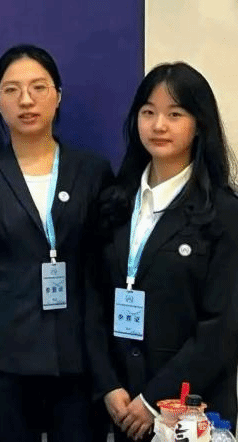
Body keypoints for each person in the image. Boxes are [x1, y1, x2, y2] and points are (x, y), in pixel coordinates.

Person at [0, 45, 113, 442]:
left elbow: (103, 272)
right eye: (12, 90)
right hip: (7, 362)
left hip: (79, 358)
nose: (26, 100)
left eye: (38, 87)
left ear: (58, 96)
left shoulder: (92, 172)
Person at [86, 62, 238, 441]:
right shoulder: (116, 202)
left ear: (199, 124)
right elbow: (92, 301)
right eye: (148, 112)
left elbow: (222, 328)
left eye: (175, 114)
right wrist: (109, 385)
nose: (158, 125)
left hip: (194, 411)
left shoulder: (223, 212)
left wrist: (153, 400)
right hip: (123, 405)